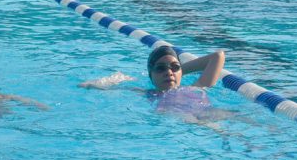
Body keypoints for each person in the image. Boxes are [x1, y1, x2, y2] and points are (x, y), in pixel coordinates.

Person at [79, 46, 227, 121]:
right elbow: (95, 87)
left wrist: (178, 72)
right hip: (183, 122)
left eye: (174, 67)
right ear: (151, 75)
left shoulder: (197, 86)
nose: (168, 72)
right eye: (161, 68)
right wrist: (115, 78)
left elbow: (217, 56)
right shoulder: (149, 94)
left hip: (208, 116)